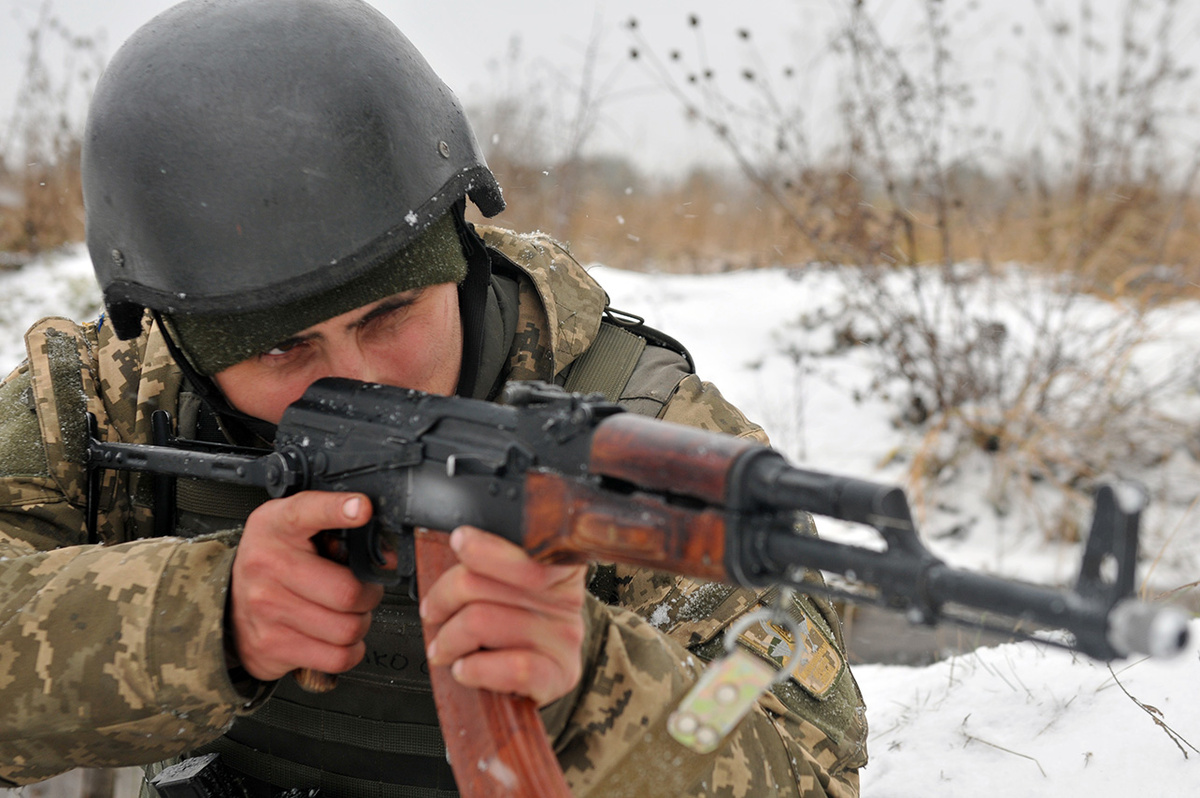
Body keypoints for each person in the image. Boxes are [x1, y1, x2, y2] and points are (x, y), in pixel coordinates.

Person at [0, 1, 867, 796]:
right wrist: (199, 619)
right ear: (182, 342)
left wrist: (603, 691)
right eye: (280, 348)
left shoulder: (638, 442)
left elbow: (802, 768)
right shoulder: (108, 399)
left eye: (390, 314)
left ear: (460, 256)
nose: (360, 376)